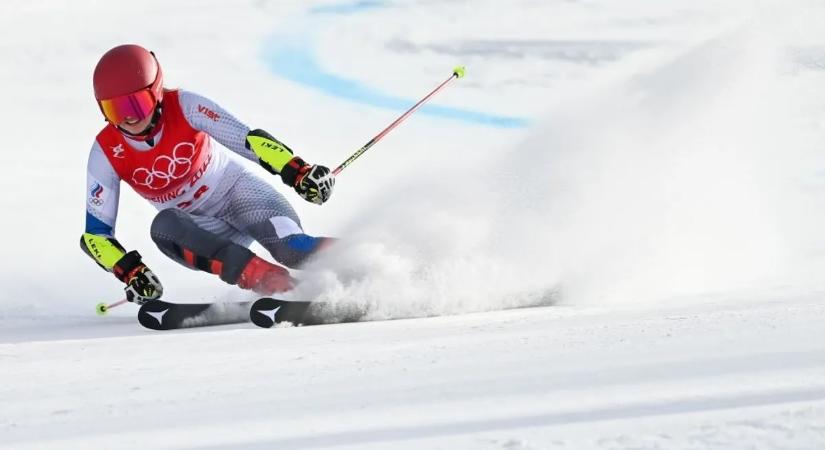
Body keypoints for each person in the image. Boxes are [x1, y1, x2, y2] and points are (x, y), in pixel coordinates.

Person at [81, 44, 335, 305]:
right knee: (164, 226)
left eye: (136, 105)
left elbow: (247, 140)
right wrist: (130, 272)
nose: (128, 120)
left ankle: (364, 260)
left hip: (241, 196)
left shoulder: (185, 105)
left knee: (292, 250)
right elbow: (95, 236)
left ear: (156, 91)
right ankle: (272, 281)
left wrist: (297, 171)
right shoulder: (106, 152)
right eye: (115, 110)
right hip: (202, 231)